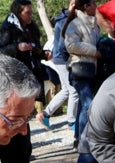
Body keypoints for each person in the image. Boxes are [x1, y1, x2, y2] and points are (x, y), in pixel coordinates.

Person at [0, 0, 51, 104]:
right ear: (18, 13)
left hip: (30, 74)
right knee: (19, 108)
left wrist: (43, 54)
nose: (31, 15)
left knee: (28, 108)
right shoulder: (8, 28)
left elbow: (32, 51)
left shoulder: (31, 28)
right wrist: (17, 47)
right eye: (27, 13)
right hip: (14, 75)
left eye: (31, 12)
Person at [62, 0, 102, 147]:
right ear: (86, 7)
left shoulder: (94, 24)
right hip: (78, 71)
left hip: (91, 71)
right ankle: (85, 140)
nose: (96, 6)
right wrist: (94, 51)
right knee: (88, 103)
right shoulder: (75, 24)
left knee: (83, 105)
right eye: (93, 3)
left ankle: (78, 138)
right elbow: (71, 45)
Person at [37, 0, 79, 131]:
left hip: (60, 58)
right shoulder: (66, 20)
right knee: (74, 91)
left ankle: (45, 114)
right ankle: (72, 122)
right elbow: (63, 44)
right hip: (63, 59)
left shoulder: (69, 18)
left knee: (67, 90)